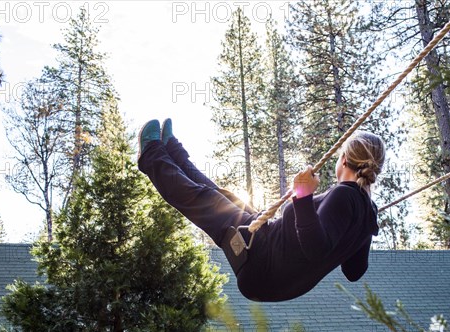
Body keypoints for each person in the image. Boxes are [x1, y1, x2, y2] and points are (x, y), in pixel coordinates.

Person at [138, 118, 384, 302]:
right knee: (221, 196)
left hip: (262, 260)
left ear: (343, 159)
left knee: (202, 199)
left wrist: (303, 194)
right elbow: (354, 271)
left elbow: (315, 248)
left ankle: (151, 155)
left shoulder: (345, 194)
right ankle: (172, 151)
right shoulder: (367, 213)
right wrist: (359, 235)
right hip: (273, 274)